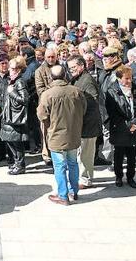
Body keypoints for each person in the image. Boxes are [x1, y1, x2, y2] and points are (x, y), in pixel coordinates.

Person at [37, 65, 87, 205]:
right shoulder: (76, 91)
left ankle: (63, 195)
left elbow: (41, 115)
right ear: (65, 75)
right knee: (72, 163)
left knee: (59, 166)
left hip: (56, 135)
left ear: (51, 77)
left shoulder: (47, 94)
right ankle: (74, 191)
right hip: (73, 133)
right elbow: (84, 109)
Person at [104, 65, 136, 188]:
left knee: (132, 155)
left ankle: (131, 177)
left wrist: (135, 123)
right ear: (119, 79)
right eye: (126, 78)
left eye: (130, 78)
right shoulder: (112, 92)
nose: (129, 81)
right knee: (119, 154)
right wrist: (127, 126)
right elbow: (112, 113)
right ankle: (119, 176)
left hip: (134, 128)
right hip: (120, 128)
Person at [67, 55, 103, 189]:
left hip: (88, 124)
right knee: (81, 153)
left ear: (82, 66)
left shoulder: (87, 80)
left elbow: (93, 101)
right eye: (70, 68)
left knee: (86, 154)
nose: (71, 70)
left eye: (74, 67)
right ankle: (83, 177)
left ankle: (85, 179)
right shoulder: (77, 79)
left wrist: (79, 113)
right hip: (81, 124)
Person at [1, 56, 30, 175]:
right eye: (10, 68)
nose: (9, 70)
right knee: (10, 140)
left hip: (16, 117)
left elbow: (25, 99)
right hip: (10, 115)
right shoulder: (12, 80)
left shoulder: (20, 81)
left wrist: (12, 92)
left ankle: (20, 165)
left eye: (12, 68)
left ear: (18, 70)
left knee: (16, 142)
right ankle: (16, 163)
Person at [34, 47, 58, 165]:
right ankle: (46, 154)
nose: (51, 59)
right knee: (45, 131)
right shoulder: (39, 71)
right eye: (48, 57)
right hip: (45, 105)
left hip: (59, 106)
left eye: (53, 57)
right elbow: (40, 90)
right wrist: (56, 88)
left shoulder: (61, 68)